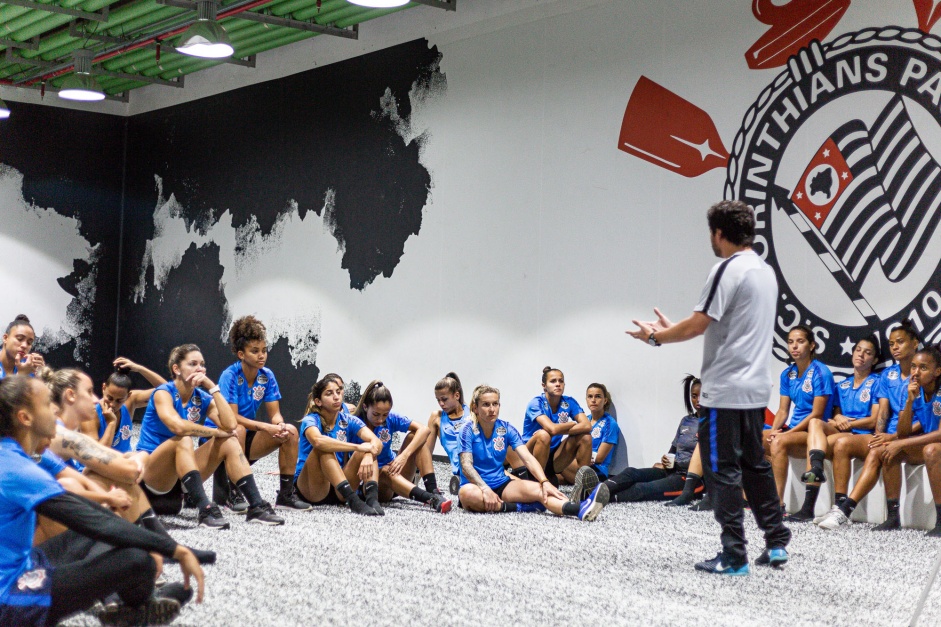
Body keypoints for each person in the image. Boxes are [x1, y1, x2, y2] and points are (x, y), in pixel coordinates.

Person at [628, 199, 791, 575]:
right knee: (755, 466)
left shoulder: (727, 269)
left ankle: (734, 555)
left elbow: (698, 324)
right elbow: (724, 325)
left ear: (718, 233)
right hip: (754, 388)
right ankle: (777, 542)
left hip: (724, 390)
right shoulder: (765, 272)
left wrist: (657, 338)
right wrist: (670, 328)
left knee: (722, 472)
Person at [0, 374, 205, 626]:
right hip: (9, 598)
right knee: (137, 559)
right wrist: (173, 549)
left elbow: (90, 511)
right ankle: (136, 608)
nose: (54, 412)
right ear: (25, 418)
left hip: (26, 560)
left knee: (114, 536)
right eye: (46, 405)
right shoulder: (16, 466)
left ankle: (128, 608)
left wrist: (153, 541)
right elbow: (88, 517)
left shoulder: (12, 453)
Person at [137, 344, 284, 528]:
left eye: (202, 364)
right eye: (193, 364)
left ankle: (257, 506)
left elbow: (230, 424)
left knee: (229, 440)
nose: (200, 369)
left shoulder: (202, 397)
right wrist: (214, 432)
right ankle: (205, 508)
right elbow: (178, 426)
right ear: (177, 369)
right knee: (183, 440)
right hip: (152, 480)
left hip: (178, 488)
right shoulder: (163, 393)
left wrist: (212, 387)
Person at [818, 344, 941, 532]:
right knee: (883, 451)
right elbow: (903, 432)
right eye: (914, 367)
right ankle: (878, 515)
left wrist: (900, 442)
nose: (915, 372)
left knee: (930, 450)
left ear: (937, 371)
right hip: (927, 443)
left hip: (935, 445)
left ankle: (940, 521)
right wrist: (908, 402)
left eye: (923, 368)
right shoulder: (911, 389)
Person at [457, 384, 608, 520]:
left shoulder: (506, 428)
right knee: (467, 495)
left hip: (502, 483)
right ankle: (514, 507)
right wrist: (484, 489)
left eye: (495, 404)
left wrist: (544, 482)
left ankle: (580, 510)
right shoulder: (467, 430)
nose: (491, 409)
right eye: (485, 405)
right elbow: (466, 465)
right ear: (475, 408)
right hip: (476, 486)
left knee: (542, 491)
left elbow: (528, 458)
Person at [209, 316, 309, 513]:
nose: (261, 356)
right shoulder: (230, 375)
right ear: (241, 354)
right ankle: (232, 492)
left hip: (246, 433)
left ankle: (285, 495)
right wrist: (265, 426)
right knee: (238, 429)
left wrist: (279, 425)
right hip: (220, 437)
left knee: (290, 432)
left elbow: (275, 415)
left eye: (264, 350)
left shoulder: (267, 376)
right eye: (254, 351)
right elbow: (232, 418)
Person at [587, 376, 702, 503]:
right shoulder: (686, 421)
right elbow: (673, 450)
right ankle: (592, 492)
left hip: (691, 480)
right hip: (672, 471)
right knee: (631, 472)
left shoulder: (715, 424)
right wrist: (665, 462)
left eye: (702, 395)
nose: (698, 400)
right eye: (694, 396)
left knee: (642, 488)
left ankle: (599, 500)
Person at [801, 336, 880, 520]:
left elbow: (874, 420)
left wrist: (848, 423)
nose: (861, 355)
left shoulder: (877, 381)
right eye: (858, 350)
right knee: (815, 424)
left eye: (868, 353)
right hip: (845, 432)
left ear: (875, 360)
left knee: (838, 443)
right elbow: (835, 412)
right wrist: (837, 418)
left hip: (865, 435)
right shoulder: (842, 384)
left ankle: (839, 504)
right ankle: (816, 469)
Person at [765, 325, 835, 521]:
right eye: (790, 342)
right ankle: (752, 499)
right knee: (756, 438)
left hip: (816, 430)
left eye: (800, 341)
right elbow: (782, 411)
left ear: (812, 345)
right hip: (795, 429)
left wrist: (785, 434)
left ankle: (787, 506)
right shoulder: (788, 374)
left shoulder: (821, 372)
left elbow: (817, 413)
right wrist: (773, 430)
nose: (794, 346)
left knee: (778, 441)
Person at [352, 380, 451, 513]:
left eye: (385, 415)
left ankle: (433, 491)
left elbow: (424, 430)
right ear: (365, 407)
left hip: (396, 472)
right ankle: (430, 499)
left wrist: (404, 455)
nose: (381, 420)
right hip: (372, 484)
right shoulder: (355, 423)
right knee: (385, 471)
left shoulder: (391, 419)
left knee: (414, 438)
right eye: (376, 414)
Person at [294, 374, 384, 516]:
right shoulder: (310, 419)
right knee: (323, 448)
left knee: (369, 449)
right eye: (329, 394)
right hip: (313, 488)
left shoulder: (348, 419)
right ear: (318, 401)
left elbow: (377, 442)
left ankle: (372, 500)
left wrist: (367, 454)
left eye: (338, 391)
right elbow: (318, 441)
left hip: (339, 488)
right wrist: (358, 447)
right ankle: (354, 501)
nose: (336, 397)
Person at [518, 366, 591, 486]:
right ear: (544, 385)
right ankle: (537, 484)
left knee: (585, 437)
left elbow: (587, 426)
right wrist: (571, 424)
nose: (558, 384)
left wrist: (560, 429)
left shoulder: (569, 402)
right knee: (544, 435)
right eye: (553, 381)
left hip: (554, 456)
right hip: (529, 456)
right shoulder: (535, 403)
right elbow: (551, 429)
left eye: (561, 381)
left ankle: (584, 487)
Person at [79, 357, 165, 452]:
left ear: (128, 396)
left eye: (119, 401)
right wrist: (111, 423)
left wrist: (139, 369)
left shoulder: (130, 402)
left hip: (124, 461)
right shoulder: (90, 415)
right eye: (109, 398)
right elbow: (96, 456)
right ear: (103, 388)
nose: (112, 404)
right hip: (100, 465)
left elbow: (167, 391)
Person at [560, 383, 620, 484]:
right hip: (578, 465)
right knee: (550, 474)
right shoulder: (585, 420)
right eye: (590, 396)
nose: (593, 400)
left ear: (605, 400)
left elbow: (600, 458)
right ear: (586, 399)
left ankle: (588, 485)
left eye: (598, 396)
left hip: (597, 471)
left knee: (557, 459)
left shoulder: (610, 424)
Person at [424, 372, 471, 495]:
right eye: (438, 400)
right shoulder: (437, 418)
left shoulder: (472, 412)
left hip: (482, 461)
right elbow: (426, 453)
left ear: (456, 395)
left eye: (444, 399)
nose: (441, 403)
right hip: (462, 467)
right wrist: (428, 485)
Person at [0, 314, 44, 378]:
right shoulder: (25, 371)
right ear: (5, 338)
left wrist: (41, 376)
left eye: (29, 343)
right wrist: (21, 375)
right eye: (19, 339)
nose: (24, 345)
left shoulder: (29, 367)